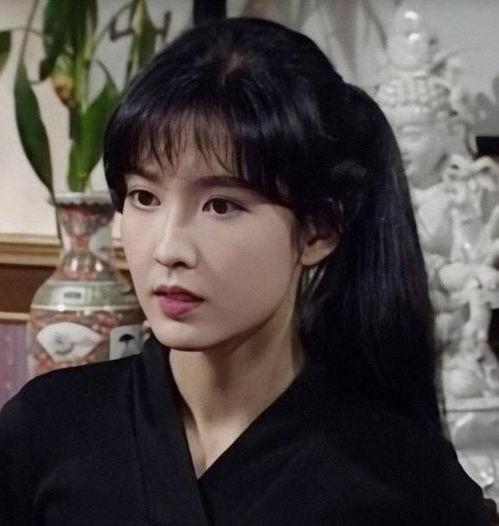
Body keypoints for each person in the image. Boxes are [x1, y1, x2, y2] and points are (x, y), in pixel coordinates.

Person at [0, 17, 496, 526]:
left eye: (221, 205)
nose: (169, 249)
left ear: (318, 230)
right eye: (144, 197)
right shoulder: (46, 428)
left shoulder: (402, 479)